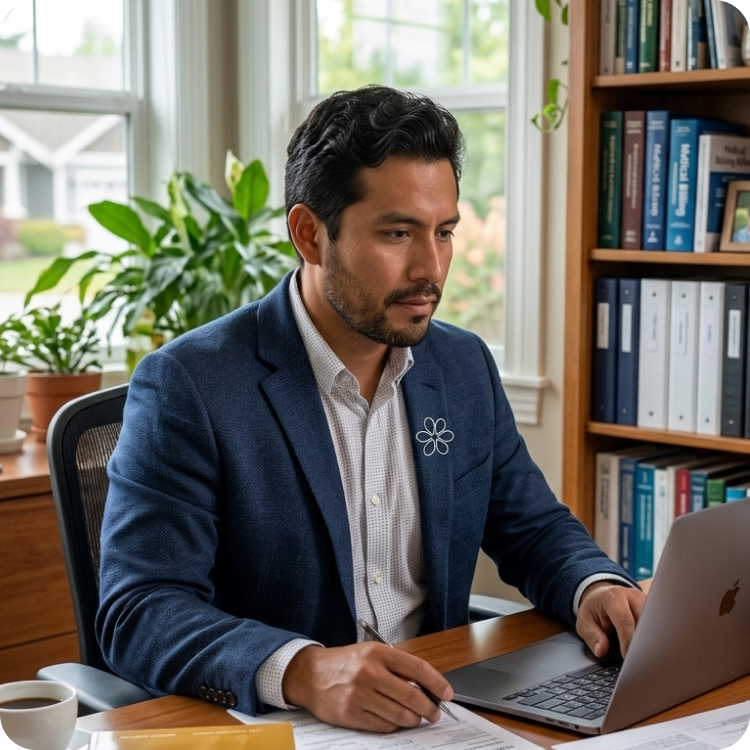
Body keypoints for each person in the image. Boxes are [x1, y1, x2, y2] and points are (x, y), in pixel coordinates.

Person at [96, 84, 645, 733]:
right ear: (310, 235)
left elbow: (530, 527)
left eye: (443, 233)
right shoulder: (193, 382)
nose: (430, 268)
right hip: (283, 729)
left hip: (439, 714)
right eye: (396, 233)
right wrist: (302, 669)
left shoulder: (460, 366)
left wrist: (597, 587)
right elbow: (140, 609)